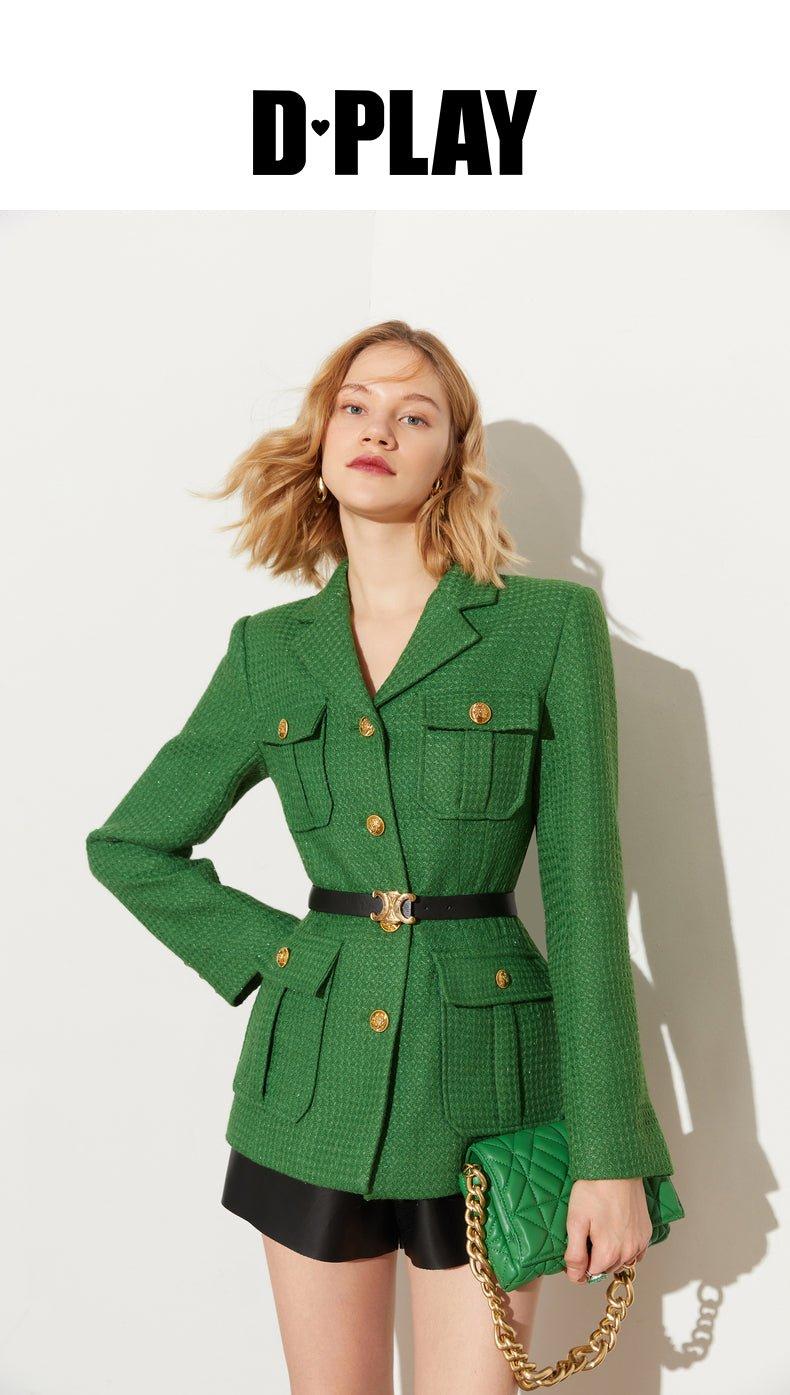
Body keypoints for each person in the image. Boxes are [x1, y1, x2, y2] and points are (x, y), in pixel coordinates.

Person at [85, 319, 675, 1395]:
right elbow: (131, 844)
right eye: (355, 406)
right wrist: (283, 956)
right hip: (310, 1092)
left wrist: (609, 1151)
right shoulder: (269, 653)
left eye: (415, 414)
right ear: (320, 441)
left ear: (451, 455)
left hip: (490, 1091)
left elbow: (589, 904)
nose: (379, 429)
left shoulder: (546, 628)